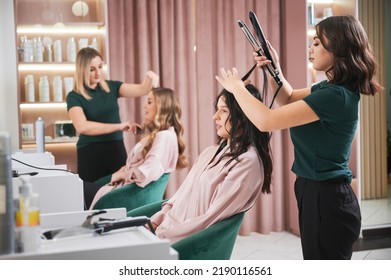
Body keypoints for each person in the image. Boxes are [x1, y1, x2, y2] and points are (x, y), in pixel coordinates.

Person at [215, 15, 382, 259]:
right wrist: (275, 68)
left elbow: (266, 121)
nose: (310, 49)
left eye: (316, 43)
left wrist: (237, 88)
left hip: (327, 199)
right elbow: (288, 98)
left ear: (337, 48)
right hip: (316, 192)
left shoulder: (335, 96)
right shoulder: (328, 89)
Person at [148, 84, 273, 243]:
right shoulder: (210, 152)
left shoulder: (248, 162)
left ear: (243, 116)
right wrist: (155, 222)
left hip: (182, 242)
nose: (215, 116)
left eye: (224, 110)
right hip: (164, 229)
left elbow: (210, 219)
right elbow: (181, 196)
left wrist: (161, 235)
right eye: (217, 109)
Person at [66, 47, 159, 182]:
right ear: (82, 71)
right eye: (92, 69)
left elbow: (143, 89)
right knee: (91, 195)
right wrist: (119, 126)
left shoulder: (112, 87)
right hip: (90, 153)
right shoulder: (74, 97)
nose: (98, 73)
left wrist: (150, 76)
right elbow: (82, 127)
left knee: (119, 190)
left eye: (99, 66)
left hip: (115, 149)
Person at [87, 87, 188, 209]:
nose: (144, 106)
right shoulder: (159, 135)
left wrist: (126, 174)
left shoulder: (164, 136)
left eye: (149, 102)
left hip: (125, 195)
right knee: (80, 189)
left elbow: (147, 171)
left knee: (78, 191)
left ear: (162, 106)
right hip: (122, 190)